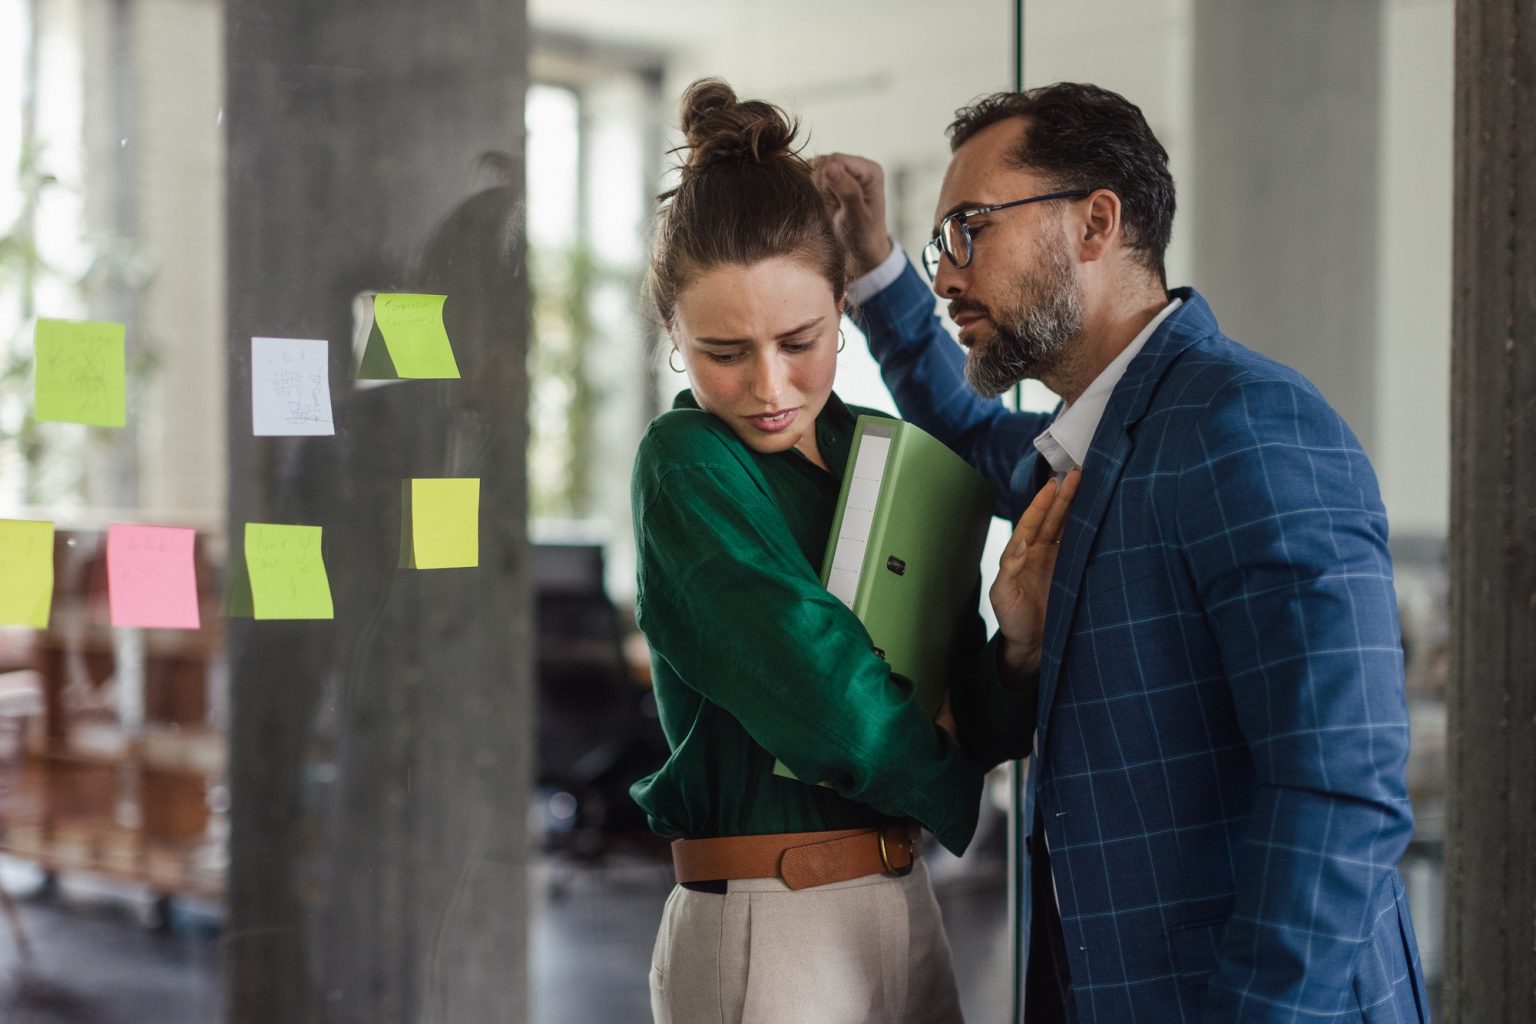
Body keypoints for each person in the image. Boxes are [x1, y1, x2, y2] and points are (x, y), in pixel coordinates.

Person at [815, 83, 1430, 1023]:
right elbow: (967, 428)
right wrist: (873, 269)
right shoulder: (1090, 447)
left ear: (1096, 223)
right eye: (941, 246)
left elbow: (1342, 786)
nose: (947, 277)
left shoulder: (1246, 424)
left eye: (970, 230)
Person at [630, 78, 1076, 1024]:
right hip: (771, 919)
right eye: (723, 353)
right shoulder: (686, 461)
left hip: (903, 896)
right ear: (672, 335)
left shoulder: (880, 453)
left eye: (801, 340)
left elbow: (953, 694)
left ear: (841, 307)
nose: (769, 386)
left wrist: (1015, 649)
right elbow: (825, 688)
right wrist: (948, 768)